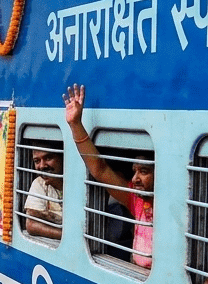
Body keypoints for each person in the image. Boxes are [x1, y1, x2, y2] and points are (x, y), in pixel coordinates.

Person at [62, 85, 154, 268]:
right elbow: (100, 170)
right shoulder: (137, 200)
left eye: (143, 172)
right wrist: (75, 124)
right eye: (134, 171)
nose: (134, 179)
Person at [24, 146, 66, 242]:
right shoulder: (40, 183)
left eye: (48, 158)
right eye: (37, 161)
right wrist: (67, 235)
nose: (42, 166)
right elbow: (31, 224)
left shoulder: (78, 184)